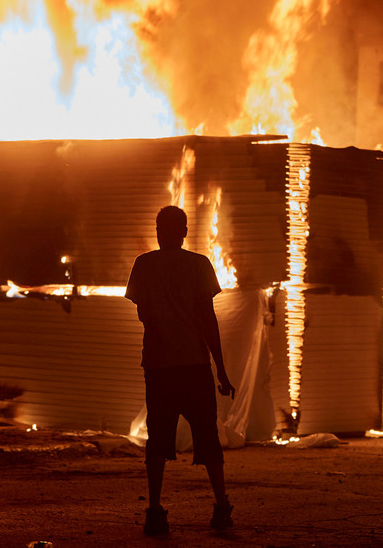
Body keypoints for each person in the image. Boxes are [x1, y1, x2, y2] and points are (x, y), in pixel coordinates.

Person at [125, 205, 236, 536]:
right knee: (208, 438)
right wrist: (221, 369)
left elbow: (143, 314)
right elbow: (207, 319)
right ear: (184, 231)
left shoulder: (143, 266)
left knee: (157, 440)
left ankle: (155, 511)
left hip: (159, 367)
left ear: (158, 230)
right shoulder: (199, 265)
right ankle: (221, 508)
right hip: (193, 366)